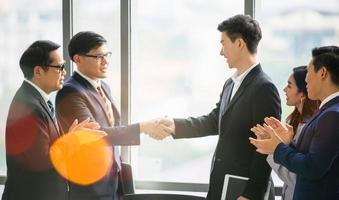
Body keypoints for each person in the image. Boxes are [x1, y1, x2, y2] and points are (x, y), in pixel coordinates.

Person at [160, 14, 281, 200]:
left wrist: (250, 195)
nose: (221, 52)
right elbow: (215, 120)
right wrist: (174, 125)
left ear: (239, 44)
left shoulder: (264, 88)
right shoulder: (230, 84)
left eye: (223, 43)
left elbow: (266, 148)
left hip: (244, 192)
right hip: (222, 185)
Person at [55, 31, 170, 200]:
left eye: (107, 55)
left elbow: (114, 128)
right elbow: (97, 135)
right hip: (90, 189)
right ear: (78, 59)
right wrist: (144, 127)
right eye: (98, 57)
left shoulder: (104, 87)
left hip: (113, 183)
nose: (106, 61)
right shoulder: (70, 92)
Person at [2, 40, 101, 200]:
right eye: (59, 67)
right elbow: (42, 161)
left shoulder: (37, 100)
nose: (64, 72)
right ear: (39, 71)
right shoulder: (29, 106)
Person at [250, 46, 339, 200]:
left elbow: (312, 168)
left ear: (322, 73)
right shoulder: (327, 111)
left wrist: (277, 148)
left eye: (309, 71)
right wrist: (286, 143)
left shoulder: (332, 114)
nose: (306, 79)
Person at [251, 66, 320, 200]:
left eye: (289, 86)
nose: (284, 89)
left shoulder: (312, 128)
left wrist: (273, 148)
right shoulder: (296, 124)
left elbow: (296, 178)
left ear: (303, 94)